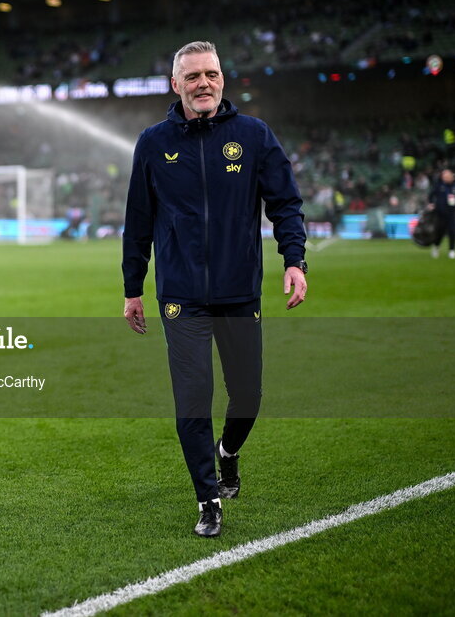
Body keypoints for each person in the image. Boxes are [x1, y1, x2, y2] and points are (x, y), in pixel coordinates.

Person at [121, 41, 308, 538]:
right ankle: (208, 499)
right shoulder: (153, 143)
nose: (204, 83)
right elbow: (137, 222)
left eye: (213, 74)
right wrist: (132, 287)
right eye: (193, 76)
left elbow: (285, 203)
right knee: (193, 399)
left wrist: (294, 260)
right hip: (181, 296)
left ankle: (228, 453)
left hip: (239, 291)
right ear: (175, 84)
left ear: (223, 79)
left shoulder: (252, 135)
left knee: (247, 396)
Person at [428, 168, 455, 259]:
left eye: (448, 176)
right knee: (440, 232)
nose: (446, 177)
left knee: (453, 231)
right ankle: (436, 246)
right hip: (440, 213)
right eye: (444, 176)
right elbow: (431, 195)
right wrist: (431, 203)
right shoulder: (439, 186)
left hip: (452, 213)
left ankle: (452, 250)